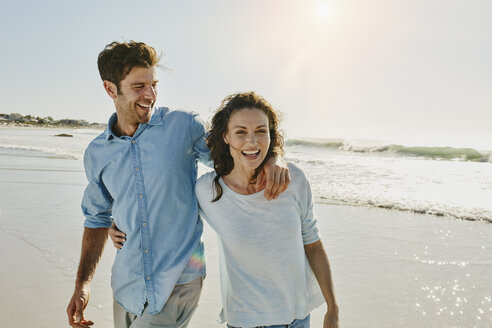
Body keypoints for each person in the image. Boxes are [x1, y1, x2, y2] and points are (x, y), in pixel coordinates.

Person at [66, 41, 290, 328]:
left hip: (178, 281)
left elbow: (235, 156)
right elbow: (96, 217)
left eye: (154, 84)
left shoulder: (183, 126)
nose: (151, 95)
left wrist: (272, 157)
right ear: (111, 89)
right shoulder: (97, 153)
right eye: (138, 87)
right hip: (126, 286)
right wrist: (83, 285)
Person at [111, 92, 339, 327]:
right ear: (226, 137)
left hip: (298, 318)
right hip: (245, 321)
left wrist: (333, 308)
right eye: (240, 132)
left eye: (261, 131)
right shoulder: (207, 190)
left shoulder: (293, 180)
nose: (252, 141)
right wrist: (118, 221)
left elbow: (312, 244)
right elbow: (166, 209)